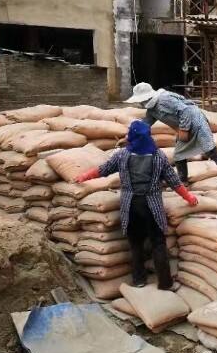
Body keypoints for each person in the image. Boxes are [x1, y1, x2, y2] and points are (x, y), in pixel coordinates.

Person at [75, 121, 198, 290]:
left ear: (132, 136)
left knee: (135, 244)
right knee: (158, 243)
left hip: (130, 205)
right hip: (151, 205)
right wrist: (189, 197)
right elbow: (174, 181)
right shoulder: (158, 156)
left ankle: (139, 280)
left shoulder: (122, 155)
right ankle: (165, 283)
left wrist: (84, 177)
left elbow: (104, 169)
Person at [124, 82, 217, 194]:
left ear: (147, 98)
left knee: (210, 150)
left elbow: (186, 111)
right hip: (185, 126)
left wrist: (183, 129)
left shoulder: (165, 99)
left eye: (141, 101)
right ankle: (183, 182)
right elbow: (145, 124)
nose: (140, 104)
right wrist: (131, 136)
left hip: (197, 122)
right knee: (179, 155)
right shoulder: (152, 111)